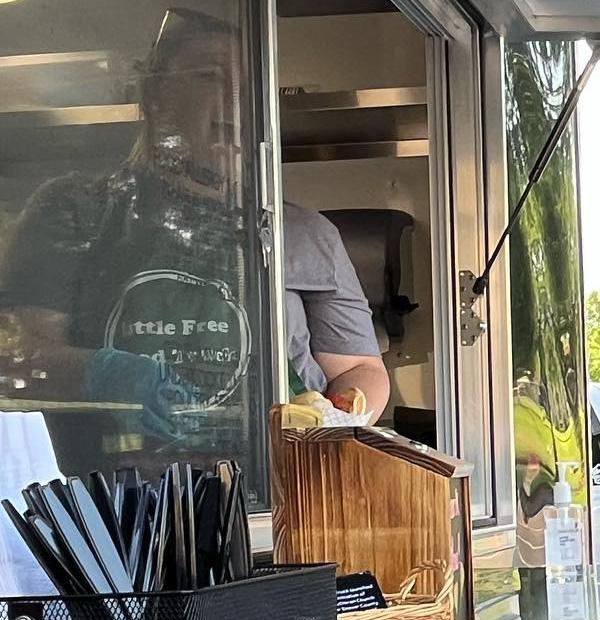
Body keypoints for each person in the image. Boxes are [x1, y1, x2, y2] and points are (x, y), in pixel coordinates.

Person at [0, 7, 387, 458]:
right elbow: (19, 353)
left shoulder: (303, 232)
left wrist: (336, 419)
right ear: (155, 94)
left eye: (249, 84)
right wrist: (101, 373)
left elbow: (361, 369)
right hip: (114, 501)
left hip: (271, 502)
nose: (234, 96)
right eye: (208, 76)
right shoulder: (75, 210)